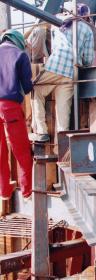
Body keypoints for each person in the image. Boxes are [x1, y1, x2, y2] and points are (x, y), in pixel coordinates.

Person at [29, 3, 94, 142]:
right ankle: (62, 147)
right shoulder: (88, 30)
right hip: (71, 72)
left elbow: (45, 36)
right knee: (63, 115)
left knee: (35, 90)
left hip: (55, 66)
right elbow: (88, 60)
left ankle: (42, 132)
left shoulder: (58, 22)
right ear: (86, 17)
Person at [0, 29, 33, 200]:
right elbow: (27, 87)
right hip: (10, 107)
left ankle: (4, 191)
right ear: (18, 41)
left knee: (0, 150)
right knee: (21, 149)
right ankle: (27, 191)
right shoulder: (20, 55)